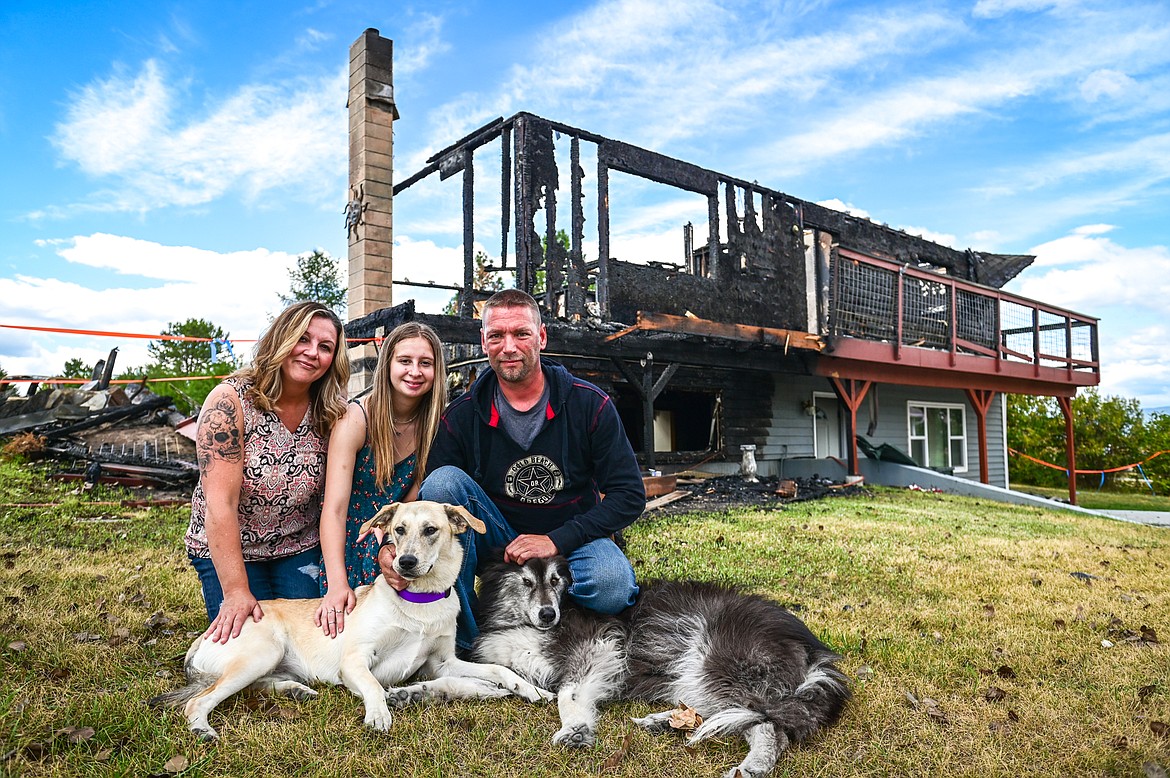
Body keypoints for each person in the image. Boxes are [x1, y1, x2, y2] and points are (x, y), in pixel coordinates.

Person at [379, 289, 645, 651]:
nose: (508, 346)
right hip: (498, 538)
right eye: (496, 335)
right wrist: (389, 545)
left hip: (571, 541)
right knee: (442, 484)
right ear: (483, 342)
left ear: (542, 337)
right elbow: (429, 505)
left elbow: (629, 496)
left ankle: (559, 620)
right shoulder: (462, 415)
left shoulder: (589, 404)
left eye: (521, 333)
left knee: (612, 586)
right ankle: (465, 636)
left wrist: (556, 540)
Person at [185, 301, 349, 644]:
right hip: (233, 549)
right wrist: (235, 591)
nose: (311, 353)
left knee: (311, 641)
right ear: (282, 338)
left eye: (325, 347)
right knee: (249, 640)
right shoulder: (229, 403)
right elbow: (220, 504)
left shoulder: (331, 412)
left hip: (297, 545)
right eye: (302, 339)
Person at [313, 322, 446, 637]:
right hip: (353, 535)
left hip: (399, 533)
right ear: (387, 364)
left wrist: (390, 536)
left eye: (425, 363)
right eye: (405, 361)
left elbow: (415, 496)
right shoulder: (356, 419)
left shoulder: (435, 423)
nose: (414, 371)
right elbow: (333, 508)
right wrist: (336, 584)